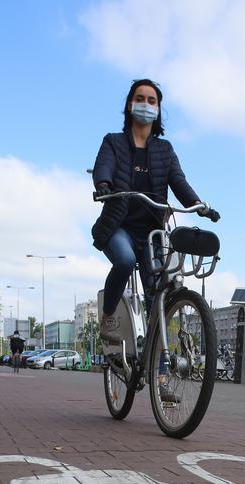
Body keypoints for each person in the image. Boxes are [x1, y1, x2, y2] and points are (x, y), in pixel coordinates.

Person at [91, 78, 219, 343]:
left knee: (159, 291)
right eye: (140, 99)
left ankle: (156, 360)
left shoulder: (165, 150)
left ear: (158, 109)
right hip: (120, 226)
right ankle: (109, 316)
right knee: (125, 260)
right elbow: (104, 166)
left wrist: (200, 206)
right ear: (129, 105)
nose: (146, 105)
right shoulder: (113, 142)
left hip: (154, 233)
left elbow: (179, 182)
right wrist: (103, 184)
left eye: (152, 101)